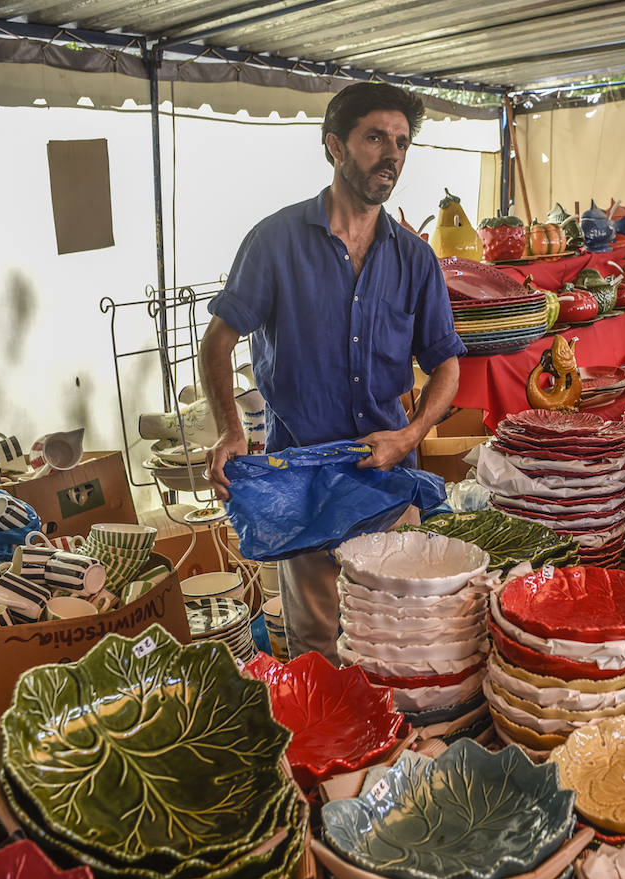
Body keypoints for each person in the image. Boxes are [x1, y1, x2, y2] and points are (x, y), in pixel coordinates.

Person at [199, 81, 466, 661]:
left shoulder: (415, 258)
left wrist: (410, 435)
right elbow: (217, 341)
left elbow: (445, 363)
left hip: (388, 479)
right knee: (318, 648)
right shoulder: (275, 242)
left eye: (401, 142)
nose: (392, 155)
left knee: (398, 642)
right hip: (302, 486)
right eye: (375, 138)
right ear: (335, 147)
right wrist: (229, 429)